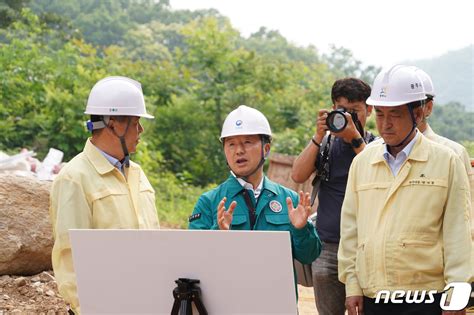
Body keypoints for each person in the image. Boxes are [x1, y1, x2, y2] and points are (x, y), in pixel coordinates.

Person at [338, 65, 472, 315]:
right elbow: (351, 230)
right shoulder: (363, 162)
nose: (385, 125)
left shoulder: (446, 161)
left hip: (427, 297)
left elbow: (459, 234)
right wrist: (352, 286)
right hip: (373, 296)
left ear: (419, 113)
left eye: (395, 115)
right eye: (379, 115)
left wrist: (456, 296)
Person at [49, 76, 160, 314]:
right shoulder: (74, 178)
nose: (140, 130)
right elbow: (69, 259)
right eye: (136, 122)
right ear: (113, 125)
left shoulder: (138, 175)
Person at [188, 105, 321, 276]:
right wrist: (217, 233)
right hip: (226, 299)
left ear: (266, 149)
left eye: (247, 142)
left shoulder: (288, 200)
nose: (239, 151)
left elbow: (309, 256)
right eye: (231, 144)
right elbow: (193, 260)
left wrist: (301, 229)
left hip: (274, 299)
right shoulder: (210, 202)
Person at [291, 78, 375, 315]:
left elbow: (376, 173)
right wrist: (318, 136)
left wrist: (354, 138)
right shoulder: (326, 145)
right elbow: (298, 174)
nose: (348, 118)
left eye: (355, 111)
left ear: (369, 110)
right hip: (327, 247)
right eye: (342, 111)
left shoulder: (376, 147)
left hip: (365, 248)